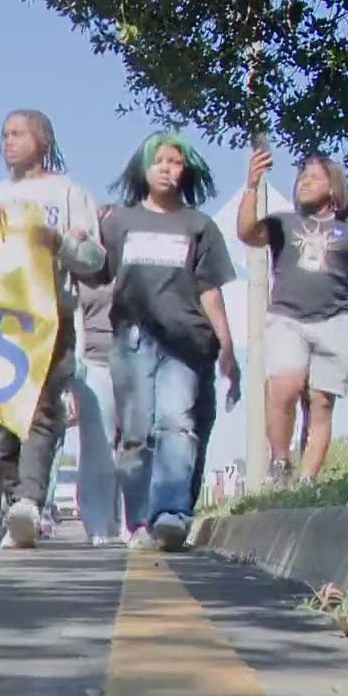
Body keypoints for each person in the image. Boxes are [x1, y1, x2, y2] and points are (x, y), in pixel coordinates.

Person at [0, 109, 107, 550]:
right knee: (2, 415)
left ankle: (28, 501)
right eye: (3, 134)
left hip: (48, 314)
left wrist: (59, 242)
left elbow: (95, 260)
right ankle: (14, 507)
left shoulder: (68, 193)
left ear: (42, 140)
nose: (7, 141)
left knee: (41, 408)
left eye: (18, 134)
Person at [100, 130, 242, 552]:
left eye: (175, 162)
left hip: (185, 341)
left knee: (177, 423)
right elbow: (95, 273)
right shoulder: (120, 222)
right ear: (143, 168)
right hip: (133, 338)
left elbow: (210, 291)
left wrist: (228, 348)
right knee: (136, 434)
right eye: (158, 160)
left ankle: (171, 515)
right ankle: (139, 519)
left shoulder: (199, 225)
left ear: (186, 170)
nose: (166, 168)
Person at [238, 149, 348, 483]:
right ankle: (281, 462)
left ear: (333, 189)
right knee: (285, 385)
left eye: (313, 178)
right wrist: (251, 186)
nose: (304, 182)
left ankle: (307, 481)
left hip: (333, 322)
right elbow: (247, 233)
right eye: (301, 177)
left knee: (320, 402)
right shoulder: (283, 223)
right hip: (288, 319)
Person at [72, 208, 126, 546]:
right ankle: (97, 521)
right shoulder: (79, 271)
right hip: (93, 363)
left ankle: (129, 521)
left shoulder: (133, 267)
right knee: (99, 444)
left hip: (133, 360)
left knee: (134, 442)